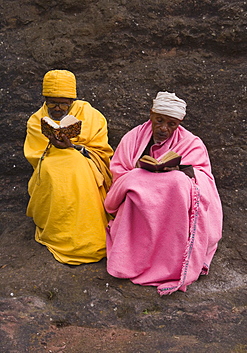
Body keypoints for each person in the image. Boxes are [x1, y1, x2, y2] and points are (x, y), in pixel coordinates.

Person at [104, 91, 222, 295]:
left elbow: (204, 177)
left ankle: (171, 264)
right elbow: (119, 172)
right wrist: (141, 174)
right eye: (159, 121)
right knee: (134, 184)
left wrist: (179, 171)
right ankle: (134, 259)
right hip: (139, 202)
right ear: (151, 114)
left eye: (171, 124)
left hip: (173, 204)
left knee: (178, 183)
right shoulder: (133, 138)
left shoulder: (191, 143)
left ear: (179, 123)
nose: (164, 129)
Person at [24, 70, 113, 265]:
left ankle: (87, 236)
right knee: (50, 171)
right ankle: (59, 234)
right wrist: (53, 146)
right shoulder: (35, 120)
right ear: (45, 99)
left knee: (76, 168)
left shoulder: (90, 115)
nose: (58, 107)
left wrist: (74, 147)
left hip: (84, 163)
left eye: (64, 102)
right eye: (52, 102)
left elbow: (102, 152)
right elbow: (35, 155)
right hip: (50, 164)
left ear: (72, 100)